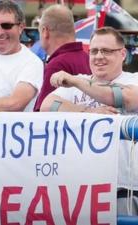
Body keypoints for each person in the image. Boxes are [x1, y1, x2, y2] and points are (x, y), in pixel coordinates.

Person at [40, 26, 138, 215]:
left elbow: (123, 98)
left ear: (123, 54)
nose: (99, 56)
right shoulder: (78, 81)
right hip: (84, 190)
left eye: (107, 51)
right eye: (94, 51)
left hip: (126, 188)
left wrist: (76, 81)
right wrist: (87, 111)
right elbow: (47, 104)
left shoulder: (133, 79)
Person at [33, 4, 91, 111]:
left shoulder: (56, 65)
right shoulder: (89, 59)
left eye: (39, 31)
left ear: (45, 32)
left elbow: (41, 113)